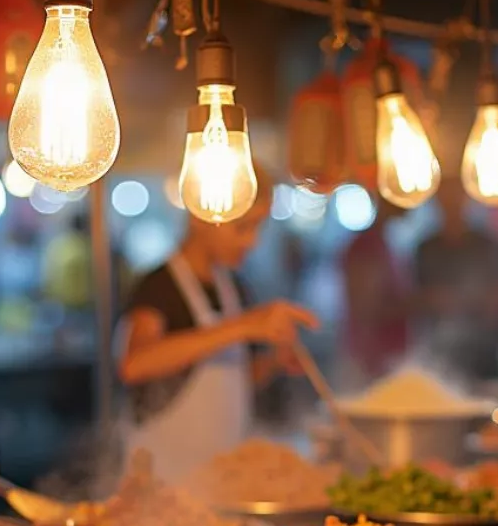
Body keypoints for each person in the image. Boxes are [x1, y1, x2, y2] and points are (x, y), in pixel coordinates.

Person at [117, 168, 317, 481]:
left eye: (258, 228)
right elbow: (136, 364)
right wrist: (241, 327)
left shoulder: (234, 287)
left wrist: (274, 362)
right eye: (242, 227)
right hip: (161, 483)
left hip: (220, 481)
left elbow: (236, 380)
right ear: (200, 216)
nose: (252, 242)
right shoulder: (159, 285)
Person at [413, 176, 498, 381]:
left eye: (457, 196)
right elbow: (416, 298)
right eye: (445, 197)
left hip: (482, 351)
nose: (452, 203)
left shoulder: (483, 244)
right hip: (437, 351)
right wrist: (434, 301)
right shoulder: (427, 247)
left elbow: (497, 299)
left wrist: (464, 302)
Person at [339, 200, 410, 387]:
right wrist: (422, 302)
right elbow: (366, 307)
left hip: (387, 358)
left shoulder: (385, 243)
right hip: (370, 360)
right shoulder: (366, 246)